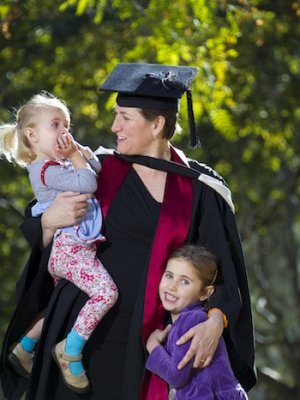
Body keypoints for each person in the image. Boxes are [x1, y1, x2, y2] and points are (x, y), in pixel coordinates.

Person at [0, 63, 256, 400]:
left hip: (143, 342)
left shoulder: (201, 190)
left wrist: (215, 320)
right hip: (76, 335)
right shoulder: (98, 168)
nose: (113, 126)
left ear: (157, 124)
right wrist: (48, 223)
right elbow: (39, 226)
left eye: (124, 117)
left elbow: (223, 266)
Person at [0, 92, 118, 394]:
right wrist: (78, 158)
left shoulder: (59, 162)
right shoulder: (44, 170)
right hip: (70, 250)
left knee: (57, 303)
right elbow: (89, 183)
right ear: (32, 135)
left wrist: (78, 151)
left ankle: (25, 347)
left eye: (67, 125)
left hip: (73, 248)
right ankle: (71, 350)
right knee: (106, 293)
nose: (65, 131)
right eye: (56, 125)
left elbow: (98, 168)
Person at [146, 244, 248, 399]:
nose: (172, 286)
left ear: (205, 293)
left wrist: (152, 346)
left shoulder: (193, 321)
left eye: (184, 281)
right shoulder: (182, 321)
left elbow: (176, 376)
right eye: (169, 275)